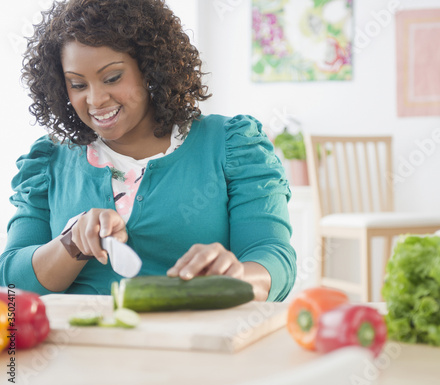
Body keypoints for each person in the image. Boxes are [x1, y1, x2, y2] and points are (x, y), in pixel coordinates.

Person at [0, 0, 296, 302]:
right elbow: (11, 284)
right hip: (78, 344)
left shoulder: (231, 145)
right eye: (77, 84)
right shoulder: (48, 162)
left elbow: (274, 259)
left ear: (151, 68)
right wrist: (72, 242)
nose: (96, 99)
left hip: (196, 345)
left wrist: (238, 277)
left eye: (112, 78)